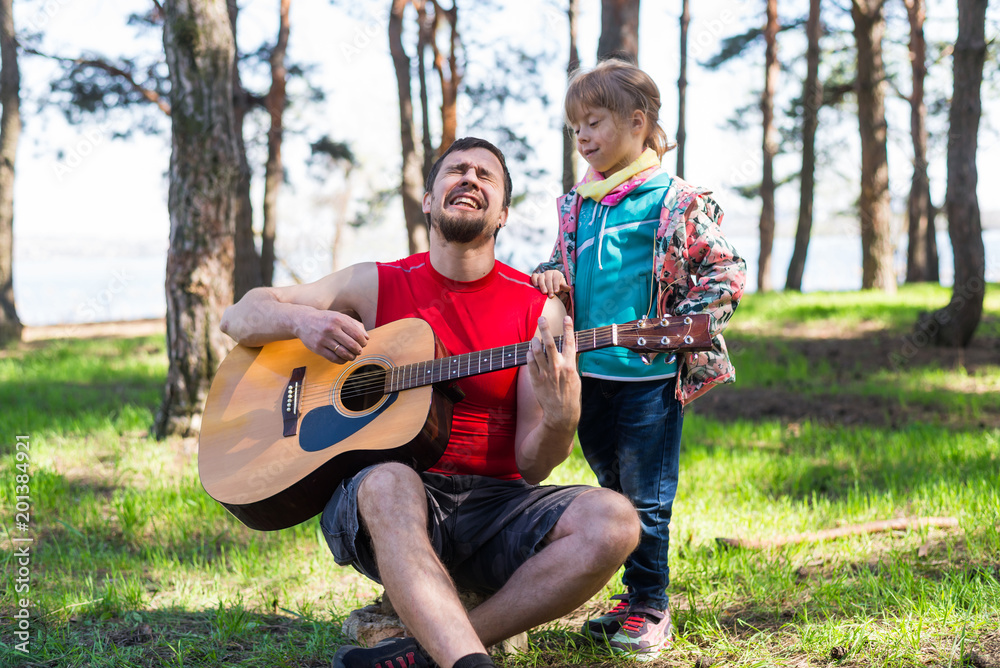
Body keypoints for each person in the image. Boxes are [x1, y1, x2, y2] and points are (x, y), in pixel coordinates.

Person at [220, 136, 641, 668]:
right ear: (428, 198)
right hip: (390, 507)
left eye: (486, 176)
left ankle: (422, 655)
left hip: (497, 511)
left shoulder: (539, 313)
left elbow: (533, 466)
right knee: (392, 479)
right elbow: (239, 315)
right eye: (457, 170)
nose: (469, 179)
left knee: (617, 521)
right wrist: (302, 321)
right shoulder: (375, 283)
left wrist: (561, 419)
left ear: (504, 213)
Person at [531, 59, 746, 661]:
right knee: (613, 490)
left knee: (647, 496)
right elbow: (561, 269)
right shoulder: (579, 204)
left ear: (636, 121)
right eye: (575, 127)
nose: (582, 137)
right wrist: (550, 278)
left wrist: (684, 330)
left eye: (593, 122)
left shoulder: (673, 201)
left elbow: (725, 272)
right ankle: (632, 595)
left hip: (648, 379)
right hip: (588, 377)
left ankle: (652, 604)